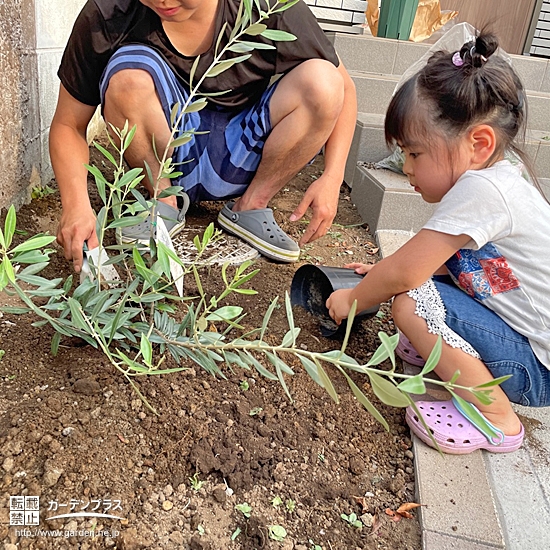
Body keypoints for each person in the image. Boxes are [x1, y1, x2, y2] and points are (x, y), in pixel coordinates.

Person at [326, 33, 550, 454]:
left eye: (414, 154)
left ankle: (496, 417)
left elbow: (408, 271)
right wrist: (380, 273)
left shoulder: (483, 190)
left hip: (536, 368)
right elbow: (475, 267)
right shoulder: (500, 176)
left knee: (410, 302)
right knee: (423, 290)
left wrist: (354, 299)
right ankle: (446, 351)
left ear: (478, 144)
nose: (406, 168)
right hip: (532, 346)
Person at [51, 0, 357, 271]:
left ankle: (251, 206)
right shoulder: (109, 12)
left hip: (242, 151)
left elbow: (344, 89)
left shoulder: (268, 6)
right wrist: (75, 203)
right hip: (167, 153)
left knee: (324, 82)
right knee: (127, 77)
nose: (163, 1)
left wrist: (333, 175)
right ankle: (164, 203)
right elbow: (68, 125)